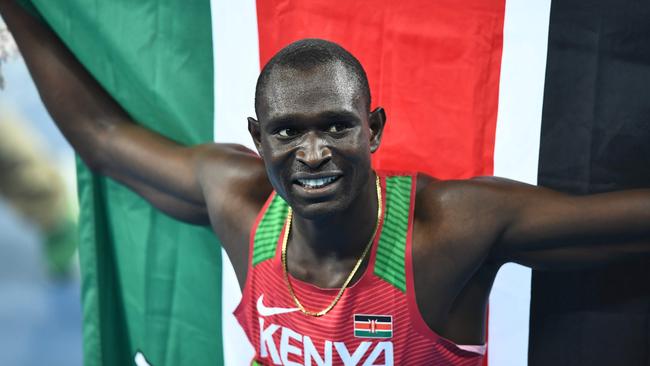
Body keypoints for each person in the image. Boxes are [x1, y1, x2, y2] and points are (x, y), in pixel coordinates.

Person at [2, 1, 649, 364]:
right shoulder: (238, 202)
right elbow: (103, 140)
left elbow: (625, 224)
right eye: (288, 132)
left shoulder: (446, 231)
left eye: (336, 127)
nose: (312, 153)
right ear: (259, 140)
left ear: (374, 131)